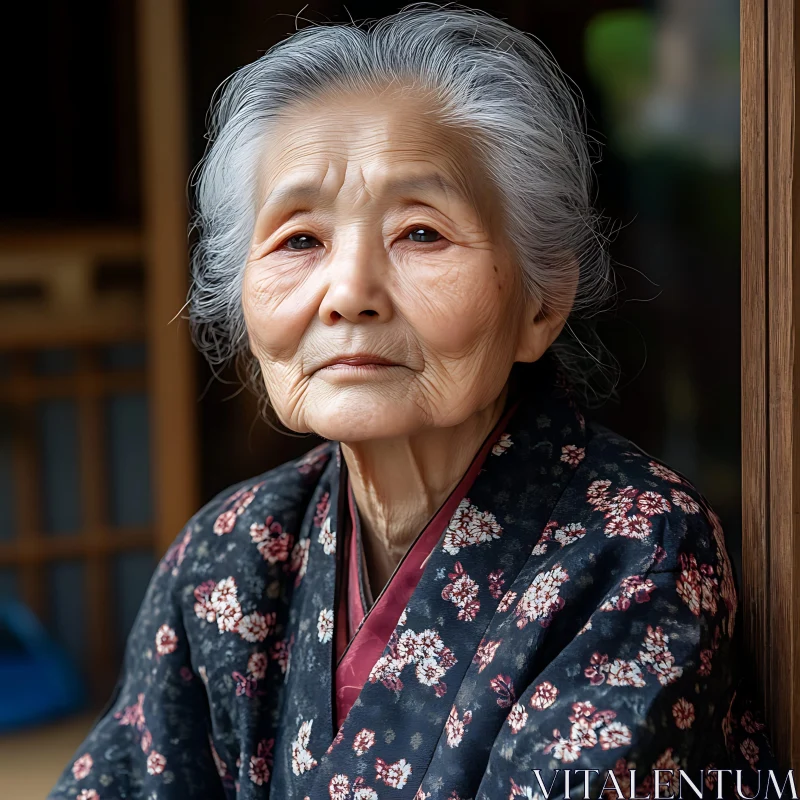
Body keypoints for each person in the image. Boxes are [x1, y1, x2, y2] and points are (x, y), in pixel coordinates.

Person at [50, 6, 776, 799]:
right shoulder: (232, 554)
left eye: (421, 233)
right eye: (299, 240)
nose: (350, 293)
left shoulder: (637, 551)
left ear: (542, 301)